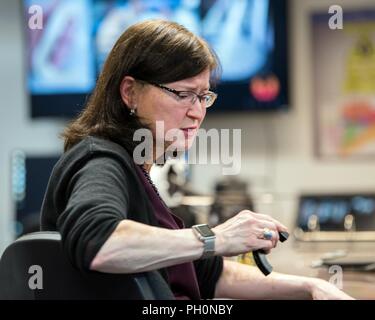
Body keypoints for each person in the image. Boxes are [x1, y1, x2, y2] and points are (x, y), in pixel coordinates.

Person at [40, 19, 353, 300]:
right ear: (130, 93)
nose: (197, 111)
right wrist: (216, 237)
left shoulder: (138, 175)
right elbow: (99, 241)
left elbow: (211, 276)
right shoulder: (100, 160)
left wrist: (310, 286)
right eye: (182, 94)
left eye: (203, 96)